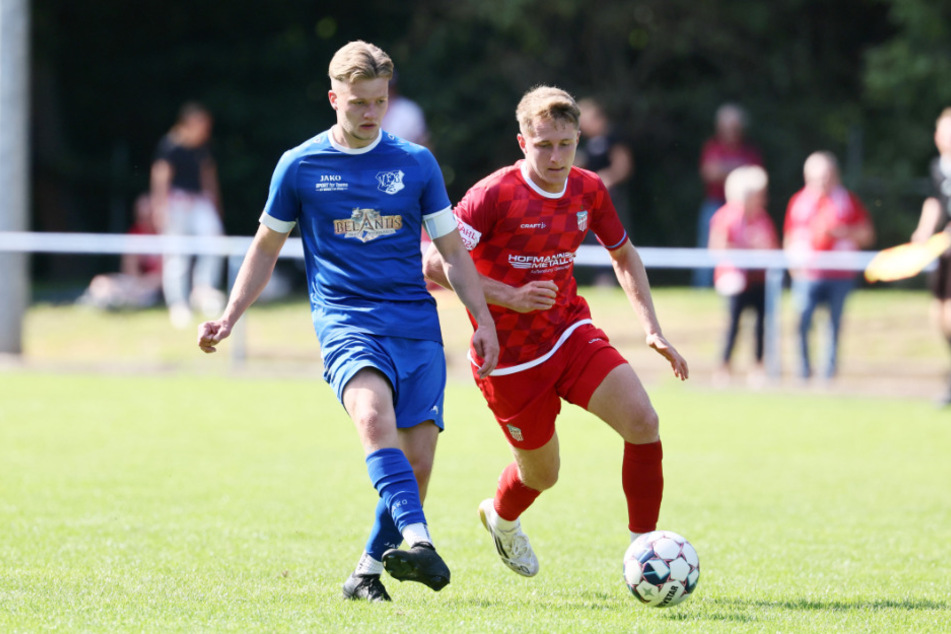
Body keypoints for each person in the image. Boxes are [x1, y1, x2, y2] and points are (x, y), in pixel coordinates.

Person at [196, 41, 499, 602]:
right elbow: (265, 249)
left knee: (419, 462)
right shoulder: (301, 165)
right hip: (346, 319)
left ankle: (365, 572)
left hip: (415, 323)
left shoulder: (416, 164)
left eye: (379, 102)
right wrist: (230, 316)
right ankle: (420, 538)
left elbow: (453, 253)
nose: (369, 113)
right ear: (334, 98)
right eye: (358, 102)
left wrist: (481, 317)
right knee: (370, 413)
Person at [422, 86, 688, 579]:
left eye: (565, 144)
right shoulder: (493, 194)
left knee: (643, 421)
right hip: (510, 358)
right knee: (543, 474)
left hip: (570, 333)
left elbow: (623, 254)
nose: (556, 156)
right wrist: (511, 297)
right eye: (543, 144)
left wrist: (652, 328)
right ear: (522, 142)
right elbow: (434, 263)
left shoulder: (589, 190)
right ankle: (501, 518)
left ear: (578, 139)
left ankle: (644, 555)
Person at [784, 151, 875, 381]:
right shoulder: (798, 202)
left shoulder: (848, 201)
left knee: (833, 326)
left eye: (826, 176)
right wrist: (793, 267)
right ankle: (803, 372)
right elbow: (790, 236)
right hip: (807, 274)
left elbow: (867, 234)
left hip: (839, 274)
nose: (821, 182)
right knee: (802, 322)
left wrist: (841, 232)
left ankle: (828, 374)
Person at [150, 102, 226, 329]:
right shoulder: (170, 145)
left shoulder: (202, 147)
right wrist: (159, 207)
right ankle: (178, 304)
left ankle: (204, 291)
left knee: (214, 242)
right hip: (176, 202)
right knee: (177, 253)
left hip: (199, 201)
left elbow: (208, 177)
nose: (206, 129)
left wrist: (215, 205)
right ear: (190, 122)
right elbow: (160, 177)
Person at [708, 165, 779, 386]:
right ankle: (724, 367)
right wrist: (745, 246)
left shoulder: (762, 219)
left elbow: (773, 248)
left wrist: (762, 247)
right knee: (733, 325)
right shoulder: (725, 217)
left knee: (761, 326)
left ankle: (758, 367)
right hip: (735, 280)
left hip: (759, 280)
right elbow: (717, 248)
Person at [694, 103, 763, 287]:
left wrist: (723, 170)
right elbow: (709, 172)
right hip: (715, 205)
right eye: (726, 126)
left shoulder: (749, 150)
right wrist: (739, 171)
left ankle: (747, 286)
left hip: (744, 210)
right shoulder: (712, 147)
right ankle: (703, 288)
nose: (730, 131)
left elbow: (757, 177)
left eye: (734, 127)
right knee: (709, 247)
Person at [911, 107, 951, 405]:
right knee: (937, 315)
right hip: (944, 252)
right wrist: (923, 231)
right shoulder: (938, 167)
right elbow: (935, 201)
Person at [575, 98, 635, 286]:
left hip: (609, 197)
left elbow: (623, 166)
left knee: (611, 235)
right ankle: (602, 278)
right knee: (592, 237)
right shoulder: (586, 143)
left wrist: (605, 179)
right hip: (590, 199)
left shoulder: (613, 138)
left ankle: (615, 277)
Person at [77, 193, 163, 310]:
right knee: (100, 282)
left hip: (155, 285)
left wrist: (147, 283)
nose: (145, 219)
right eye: (141, 215)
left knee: (143, 289)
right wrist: (138, 284)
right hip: (138, 283)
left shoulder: (166, 234)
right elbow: (129, 268)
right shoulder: (135, 233)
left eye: (148, 215)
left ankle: (115, 300)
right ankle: (112, 299)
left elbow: (165, 273)